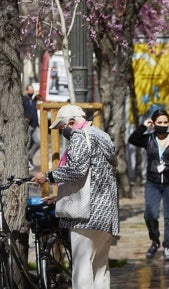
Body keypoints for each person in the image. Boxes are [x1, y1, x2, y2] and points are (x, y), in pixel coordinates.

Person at [31, 104, 119, 289]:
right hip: (106, 212)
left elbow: (77, 171)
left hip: (86, 215)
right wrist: (60, 197)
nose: (63, 132)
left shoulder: (80, 137)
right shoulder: (101, 136)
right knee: (100, 266)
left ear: (71, 122)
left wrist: (48, 176)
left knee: (82, 265)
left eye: (62, 128)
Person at [128, 109, 169, 262]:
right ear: (154, 124)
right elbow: (133, 139)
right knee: (150, 214)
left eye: (165, 122)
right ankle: (155, 240)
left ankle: (167, 247)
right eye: (159, 122)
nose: (163, 125)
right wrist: (143, 126)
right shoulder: (148, 139)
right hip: (152, 183)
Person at [23, 84, 41, 170]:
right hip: (28, 125)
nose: (32, 92)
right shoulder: (24, 100)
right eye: (30, 90)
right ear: (26, 91)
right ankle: (27, 162)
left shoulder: (33, 100)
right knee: (28, 144)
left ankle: (29, 157)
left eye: (32, 90)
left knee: (38, 142)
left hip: (35, 124)